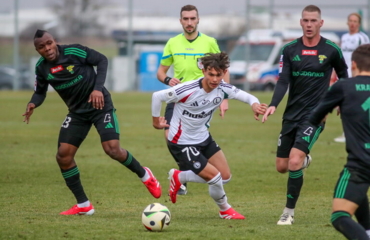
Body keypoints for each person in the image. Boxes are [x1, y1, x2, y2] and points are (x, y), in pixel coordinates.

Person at [22, 30, 161, 215]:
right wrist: (33, 103)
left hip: (100, 105)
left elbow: (102, 60)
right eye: (41, 47)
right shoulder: (41, 68)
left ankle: (145, 175)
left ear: (55, 41)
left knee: (112, 149)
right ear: (37, 49)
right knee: (63, 156)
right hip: (77, 113)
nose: (47, 49)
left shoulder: (74, 52)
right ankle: (83, 205)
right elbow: (40, 91)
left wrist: (97, 89)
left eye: (49, 43)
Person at [151, 52, 267, 219]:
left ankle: (180, 176)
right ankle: (225, 210)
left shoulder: (223, 89)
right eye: (211, 74)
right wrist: (156, 121)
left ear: (224, 73)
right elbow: (157, 96)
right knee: (215, 178)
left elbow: (247, 96)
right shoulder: (187, 89)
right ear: (204, 71)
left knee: (225, 177)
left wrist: (255, 105)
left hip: (203, 138)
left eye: (218, 75)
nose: (214, 79)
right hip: (181, 142)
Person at [261, 5, 348, 225]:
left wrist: (342, 101)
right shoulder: (290, 49)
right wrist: (273, 104)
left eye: (313, 21)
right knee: (282, 166)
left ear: (321, 23)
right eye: (305, 21)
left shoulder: (331, 49)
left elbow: (344, 75)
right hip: (291, 115)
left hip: (315, 115)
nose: (309, 25)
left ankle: (288, 212)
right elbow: (283, 80)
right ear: (301, 22)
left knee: (294, 161)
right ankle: (303, 159)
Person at [156, 4, 230, 195]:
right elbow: (161, 71)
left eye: (192, 18)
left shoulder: (209, 42)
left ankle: (185, 175)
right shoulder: (173, 43)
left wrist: (224, 98)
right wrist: (167, 79)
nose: (189, 22)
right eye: (186, 19)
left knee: (194, 140)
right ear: (181, 21)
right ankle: (184, 176)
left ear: (198, 20)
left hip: (202, 100)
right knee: (169, 135)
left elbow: (224, 69)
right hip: (178, 98)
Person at [309, 44, 370, 240]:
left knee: (340, 216)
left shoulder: (343, 87)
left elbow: (314, 117)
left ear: (353, 65)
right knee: (358, 197)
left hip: (361, 163)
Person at [333, 12, 370, 143]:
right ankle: (347, 132)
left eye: (355, 21)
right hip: (345, 75)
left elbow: (366, 56)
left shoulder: (362, 38)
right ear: (347, 23)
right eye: (351, 21)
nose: (353, 23)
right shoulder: (344, 37)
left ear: (359, 24)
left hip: (358, 75)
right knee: (344, 102)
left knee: (358, 102)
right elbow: (341, 57)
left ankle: (356, 132)